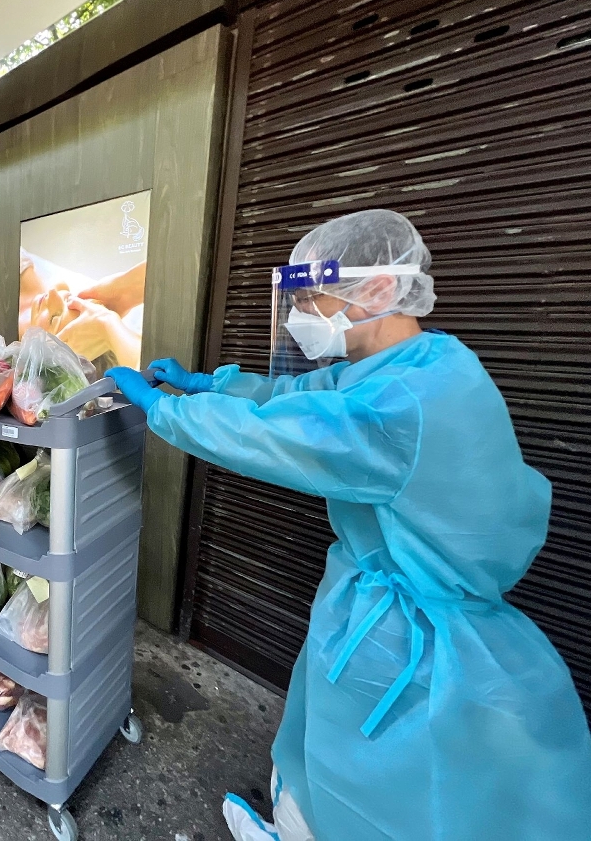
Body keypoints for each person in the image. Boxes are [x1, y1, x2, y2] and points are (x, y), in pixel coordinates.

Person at [106, 210, 591, 841]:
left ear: (380, 290)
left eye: (312, 299)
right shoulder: (422, 362)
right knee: (337, 749)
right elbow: (304, 399)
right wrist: (208, 386)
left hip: (410, 633)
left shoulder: (408, 402)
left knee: (370, 778)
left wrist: (167, 411)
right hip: (388, 600)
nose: (301, 315)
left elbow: (285, 434)